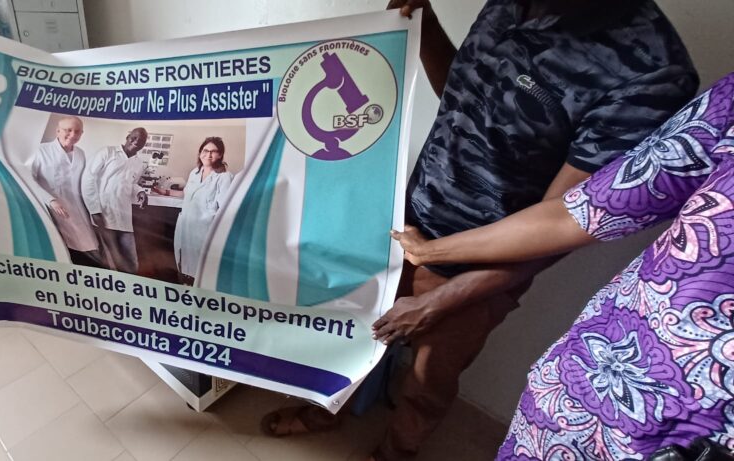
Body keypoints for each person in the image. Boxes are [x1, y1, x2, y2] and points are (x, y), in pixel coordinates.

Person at [262, 0, 699, 459]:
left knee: (427, 380)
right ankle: (326, 412)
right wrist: (426, 24)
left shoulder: (649, 71)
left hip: (480, 268)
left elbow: (562, 223)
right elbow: (470, 97)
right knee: (354, 334)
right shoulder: (509, 6)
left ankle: (396, 452)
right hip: (404, 222)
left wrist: (439, 297)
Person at [389, 72, 734, 461]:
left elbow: (569, 219)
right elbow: (584, 212)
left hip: (681, 426)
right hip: (591, 392)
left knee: (427, 383)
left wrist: (439, 279)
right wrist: (430, 252)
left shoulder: (654, 72)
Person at [154, 137, 234, 285]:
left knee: (201, 272)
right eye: (205, 150)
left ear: (220, 155)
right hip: (186, 225)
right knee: (183, 266)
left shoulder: (224, 177)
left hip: (204, 231)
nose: (208, 155)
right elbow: (187, 193)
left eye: (213, 151)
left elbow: (225, 209)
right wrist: (165, 192)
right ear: (200, 153)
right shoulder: (195, 173)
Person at [29, 115, 102, 268]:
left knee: (87, 248)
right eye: (68, 130)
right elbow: (28, 179)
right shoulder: (40, 150)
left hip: (77, 209)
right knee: (59, 251)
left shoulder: (80, 153)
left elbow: (84, 182)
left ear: (82, 134)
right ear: (58, 131)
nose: (72, 135)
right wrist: (50, 200)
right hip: (51, 209)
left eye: (77, 131)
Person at [81, 127, 148, 274]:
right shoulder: (107, 152)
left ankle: (130, 283)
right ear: (127, 137)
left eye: (142, 140)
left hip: (124, 217)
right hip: (103, 214)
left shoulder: (138, 163)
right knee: (109, 261)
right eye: (134, 137)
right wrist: (94, 209)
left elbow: (130, 184)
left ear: (144, 144)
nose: (137, 142)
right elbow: (88, 179)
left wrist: (140, 191)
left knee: (131, 261)